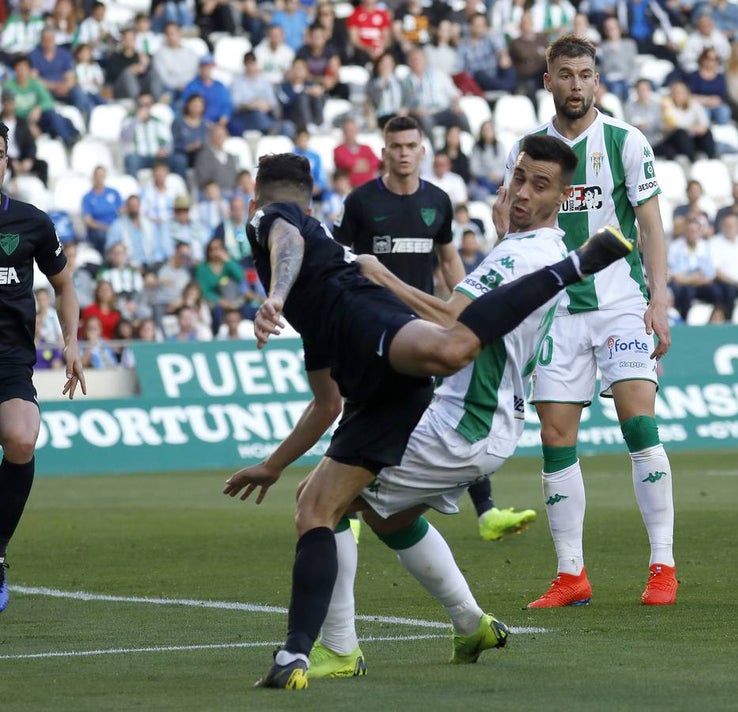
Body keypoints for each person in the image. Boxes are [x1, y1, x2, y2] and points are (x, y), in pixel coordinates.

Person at [220, 151, 632, 688]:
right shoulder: (517, 246)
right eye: (519, 180)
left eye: (540, 185)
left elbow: (456, 322)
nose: (522, 194)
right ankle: (470, 624)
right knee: (386, 515)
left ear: (563, 198)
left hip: (466, 418)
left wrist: (380, 276)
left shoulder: (524, 252)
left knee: (323, 501)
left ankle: (337, 647)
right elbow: (329, 400)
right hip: (476, 416)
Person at [506, 34, 677, 608]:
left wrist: (659, 300)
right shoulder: (528, 151)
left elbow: (651, 225)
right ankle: (571, 574)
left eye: (585, 74)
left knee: (639, 424)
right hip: (556, 313)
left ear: (597, 81)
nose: (576, 85)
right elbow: (514, 225)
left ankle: (662, 564)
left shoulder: (626, 140)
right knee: (556, 439)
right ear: (548, 81)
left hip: (621, 304)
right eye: (566, 74)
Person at [335, 115, 536, 540]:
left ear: (423, 151)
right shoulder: (360, 203)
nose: (404, 153)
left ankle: (486, 512)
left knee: (446, 409)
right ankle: (345, 507)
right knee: (360, 407)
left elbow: (448, 261)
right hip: (374, 327)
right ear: (384, 152)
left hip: (424, 326)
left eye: (411, 145)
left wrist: (463, 309)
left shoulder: (438, 202)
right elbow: (345, 265)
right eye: (396, 146)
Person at [0, 120, 87, 613]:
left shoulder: (31, 223)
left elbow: (64, 286)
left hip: (10, 360)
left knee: (20, 437)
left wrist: (71, 341)